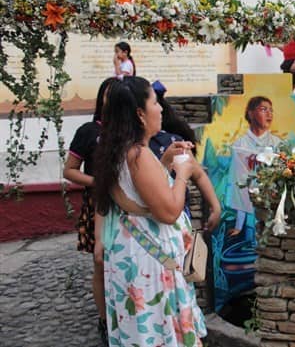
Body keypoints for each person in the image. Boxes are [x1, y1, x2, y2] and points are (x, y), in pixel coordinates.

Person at [93, 76, 207, 346]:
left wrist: (164, 162)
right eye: (155, 102)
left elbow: (140, 194)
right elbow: (167, 212)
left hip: (136, 257)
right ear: (140, 114)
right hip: (151, 266)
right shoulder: (138, 155)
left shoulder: (121, 150)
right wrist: (183, 173)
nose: (161, 109)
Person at [63, 76, 118, 345]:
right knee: (101, 264)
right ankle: (105, 319)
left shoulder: (133, 130)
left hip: (129, 207)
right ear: (102, 98)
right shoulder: (88, 131)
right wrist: (99, 182)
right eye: (110, 94)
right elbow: (69, 170)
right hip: (99, 204)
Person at [150, 80, 221, 230]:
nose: (161, 109)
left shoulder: (172, 141)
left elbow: (198, 175)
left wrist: (215, 206)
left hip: (177, 221)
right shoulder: (130, 149)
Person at [227, 96, 281, 236]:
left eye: (271, 110)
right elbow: (239, 184)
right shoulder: (240, 145)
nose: (269, 114)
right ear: (250, 113)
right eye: (263, 109)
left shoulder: (278, 144)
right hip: (250, 214)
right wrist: (239, 226)